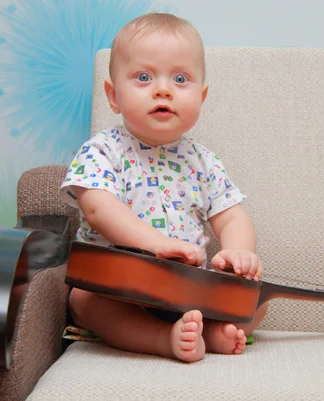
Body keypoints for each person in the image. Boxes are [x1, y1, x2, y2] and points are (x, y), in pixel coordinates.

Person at [59, 12, 268, 363]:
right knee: (83, 299)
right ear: (113, 95)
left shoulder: (203, 162)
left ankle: (214, 332)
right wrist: (157, 244)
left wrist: (239, 255)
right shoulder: (103, 151)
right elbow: (98, 208)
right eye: (143, 77)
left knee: (255, 300)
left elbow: (232, 218)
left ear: (201, 96)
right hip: (120, 288)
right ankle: (162, 338)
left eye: (180, 78)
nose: (163, 89)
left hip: (188, 290)